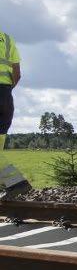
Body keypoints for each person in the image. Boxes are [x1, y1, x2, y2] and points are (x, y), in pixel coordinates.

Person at [0, 29, 30, 198]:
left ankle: (16, 183)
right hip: (5, 98)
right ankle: (14, 184)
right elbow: (17, 74)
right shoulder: (7, 40)